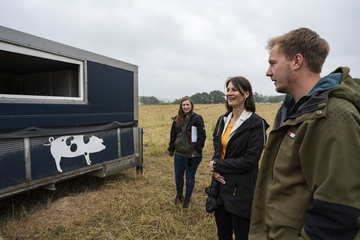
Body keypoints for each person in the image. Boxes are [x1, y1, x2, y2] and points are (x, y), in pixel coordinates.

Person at [249, 27, 360, 240]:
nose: (268, 72)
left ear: (297, 61)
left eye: (273, 63)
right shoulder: (293, 110)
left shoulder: (333, 116)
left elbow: (338, 214)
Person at [209, 76, 269, 240]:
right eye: (228, 90)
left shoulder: (256, 123)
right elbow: (218, 149)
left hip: (241, 191)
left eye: (234, 89)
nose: (230, 93)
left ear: (246, 94)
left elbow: (250, 160)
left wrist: (217, 165)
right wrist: (215, 171)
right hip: (221, 186)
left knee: (243, 235)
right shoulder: (223, 120)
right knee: (223, 234)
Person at [168, 97, 206, 208]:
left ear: (191, 105)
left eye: (187, 104)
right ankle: (179, 194)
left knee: (189, 176)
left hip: (191, 156)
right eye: (183, 105)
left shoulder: (197, 118)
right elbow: (173, 136)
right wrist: (171, 149)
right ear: (181, 106)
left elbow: (202, 136)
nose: (185, 107)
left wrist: (197, 151)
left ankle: (187, 197)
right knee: (178, 176)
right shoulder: (177, 120)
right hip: (179, 155)